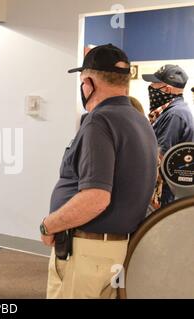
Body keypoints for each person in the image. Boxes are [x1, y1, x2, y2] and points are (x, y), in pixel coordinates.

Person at [41, 44, 157, 299]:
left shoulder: (99, 121)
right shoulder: (140, 121)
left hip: (87, 252)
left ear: (89, 83)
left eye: (82, 81)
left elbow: (96, 197)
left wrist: (49, 225)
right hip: (116, 250)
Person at [142, 65, 194, 206]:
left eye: (154, 84)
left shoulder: (174, 115)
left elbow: (161, 158)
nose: (151, 87)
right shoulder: (171, 112)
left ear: (167, 89)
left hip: (165, 195)